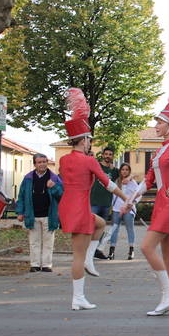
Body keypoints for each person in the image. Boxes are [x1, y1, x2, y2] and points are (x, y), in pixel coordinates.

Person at [123, 83, 169, 316]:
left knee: (146, 246)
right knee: (167, 252)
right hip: (162, 201)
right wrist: (132, 198)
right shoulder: (160, 150)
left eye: (160, 122)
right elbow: (149, 179)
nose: (156, 125)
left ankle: (168, 292)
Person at [58, 88, 128, 310]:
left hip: (68, 206)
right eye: (89, 139)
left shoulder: (64, 160)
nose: (90, 143)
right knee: (77, 255)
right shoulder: (89, 161)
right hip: (79, 207)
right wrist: (126, 197)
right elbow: (108, 184)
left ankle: (90, 257)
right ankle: (78, 297)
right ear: (84, 139)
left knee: (99, 223)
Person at [16, 153, 63, 272]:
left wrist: (54, 187)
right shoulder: (28, 178)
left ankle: (47, 265)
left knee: (48, 242)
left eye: (44, 161)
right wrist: (20, 212)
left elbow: (62, 195)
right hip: (32, 215)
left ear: (47, 162)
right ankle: (35, 264)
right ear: (35, 164)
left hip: (49, 215)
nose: (42, 164)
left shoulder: (54, 178)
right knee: (34, 242)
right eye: (39, 162)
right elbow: (21, 196)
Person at [90, 146, 119, 260]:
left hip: (106, 203)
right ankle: (86, 251)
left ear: (113, 156)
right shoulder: (96, 166)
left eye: (110, 154)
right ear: (102, 155)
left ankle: (95, 250)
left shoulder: (114, 171)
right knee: (91, 227)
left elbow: (125, 173)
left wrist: (131, 177)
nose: (107, 156)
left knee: (101, 228)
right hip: (94, 202)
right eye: (106, 154)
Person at [109, 163, 139, 260]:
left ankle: (131, 250)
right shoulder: (116, 181)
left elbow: (139, 194)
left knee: (130, 229)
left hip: (129, 210)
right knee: (114, 229)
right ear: (120, 171)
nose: (124, 171)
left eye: (127, 169)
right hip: (117, 209)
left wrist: (133, 203)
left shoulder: (133, 183)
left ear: (129, 171)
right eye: (123, 169)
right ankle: (111, 251)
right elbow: (113, 194)